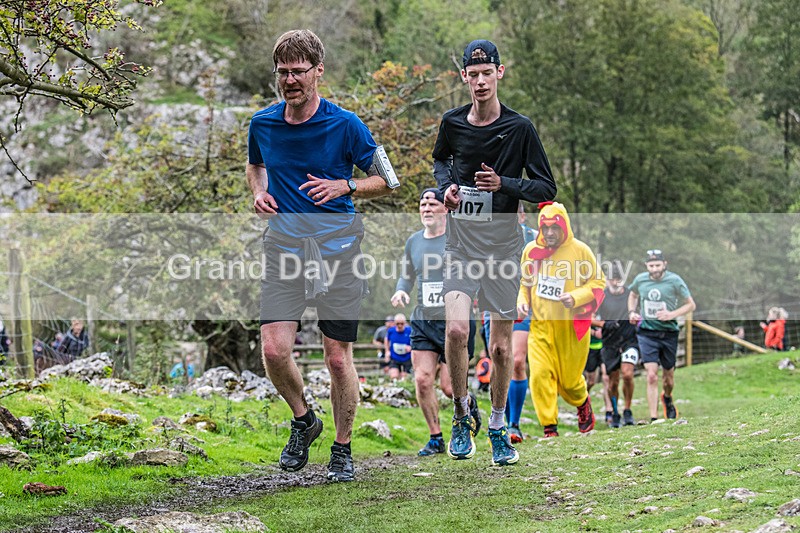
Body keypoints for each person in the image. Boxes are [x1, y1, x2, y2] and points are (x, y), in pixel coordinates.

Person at [246, 30, 395, 482]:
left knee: (336, 357)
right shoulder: (262, 123)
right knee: (273, 349)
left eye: (299, 71)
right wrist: (259, 192)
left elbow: (388, 178)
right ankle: (304, 420)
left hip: (339, 251)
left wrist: (345, 185)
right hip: (285, 248)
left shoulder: (346, 124)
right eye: (283, 72)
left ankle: (343, 448)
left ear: (318, 72)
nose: (290, 80)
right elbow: (256, 165)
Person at [434, 39, 556, 466]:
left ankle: (500, 425)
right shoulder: (451, 123)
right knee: (455, 332)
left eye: (488, 73)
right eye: (474, 74)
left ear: (499, 73)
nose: (480, 81)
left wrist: (505, 185)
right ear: (464, 76)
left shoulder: (520, 128)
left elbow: (546, 188)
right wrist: (444, 189)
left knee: (502, 350)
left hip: (505, 249)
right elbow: (440, 163)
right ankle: (462, 412)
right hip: (461, 246)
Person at [390, 188, 479, 456]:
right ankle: (436, 437)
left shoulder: (457, 239)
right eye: (422, 203)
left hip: (455, 322)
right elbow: (406, 274)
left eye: (432, 203)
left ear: (445, 208)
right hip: (424, 321)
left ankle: (467, 407)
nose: (426, 208)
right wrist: (401, 289)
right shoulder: (413, 242)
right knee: (422, 379)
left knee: (449, 386)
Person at [517, 201, 605, 438]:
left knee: (569, 381)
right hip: (541, 327)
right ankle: (549, 427)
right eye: (545, 228)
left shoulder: (580, 250)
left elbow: (598, 283)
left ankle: (582, 402)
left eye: (554, 228)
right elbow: (524, 285)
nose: (549, 233)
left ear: (565, 226)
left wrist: (575, 297)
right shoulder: (531, 251)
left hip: (572, 328)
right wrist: (522, 303)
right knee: (539, 374)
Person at [628, 249, 696, 421]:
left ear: (664, 264)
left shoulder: (674, 281)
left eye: (658, 265)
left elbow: (690, 305)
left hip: (668, 333)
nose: (655, 269)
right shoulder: (640, 280)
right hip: (647, 333)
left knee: (668, 378)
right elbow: (633, 295)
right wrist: (631, 312)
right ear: (646, 266)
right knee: (651, 375)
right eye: (651, 265)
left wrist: (672, 315)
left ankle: (667, 396)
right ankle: (654, 418)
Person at [506, 203, 538, 443]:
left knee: (517, 360)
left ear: (522, 215)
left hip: (524, 306)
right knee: (500, 360)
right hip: (493, 305)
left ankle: (514, 424)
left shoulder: (535, 240)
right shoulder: (491, 234)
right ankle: (502, 421)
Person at [595, 261, 639, 427]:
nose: (615, 282)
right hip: (609, 342)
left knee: (627, 374)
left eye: (618, 278)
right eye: (612, 279)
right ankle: (614, 412)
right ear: (607, 280)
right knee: (612, 381)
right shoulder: (602, 296)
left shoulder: (631, 294)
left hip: (629, 340)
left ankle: (627, 410)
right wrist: (604, 324)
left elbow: (638, 312)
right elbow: (589, 318)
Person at [384, 313, 412, 380]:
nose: (399, 325)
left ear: (405, 323)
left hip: (407, 357)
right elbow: (386, 340)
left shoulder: (410, 330)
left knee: (405, 378)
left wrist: (411, 347)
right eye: (397, 324)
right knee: (394, 376)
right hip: (395, 357)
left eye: (402, 324)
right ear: (394, 323)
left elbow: (416, 341)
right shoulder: (391, 331)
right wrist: (387, 351)